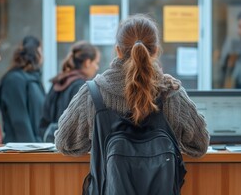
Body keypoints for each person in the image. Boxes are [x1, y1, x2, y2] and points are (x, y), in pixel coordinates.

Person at [55, 14, 209, 157]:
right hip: (163, 187)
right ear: (155, 51)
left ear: (118, 51)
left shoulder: (94, 93)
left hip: (110, 186)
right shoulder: (171, 92)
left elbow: (64, 142)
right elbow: (200, 145)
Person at [39, 41, 100, 142]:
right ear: (87, 62)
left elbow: (44, 119)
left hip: (50, 145)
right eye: (96, 63)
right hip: (70, 149)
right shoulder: (82, 87)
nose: (97, 67)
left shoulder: (58, 81)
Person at [0, 36, 45, 142]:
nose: (44, 56)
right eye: (41, 51)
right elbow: (20, 121)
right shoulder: (14, 80)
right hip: (20, 151)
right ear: (36, 52)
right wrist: (31, 155)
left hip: (36, 148)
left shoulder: (34, 79)